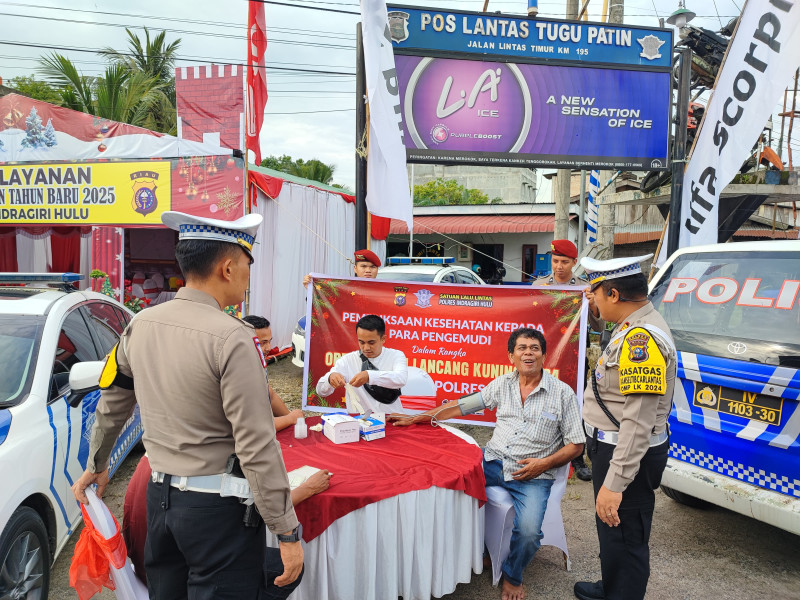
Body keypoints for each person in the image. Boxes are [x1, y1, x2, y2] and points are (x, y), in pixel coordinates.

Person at [72, 211, 303, 600]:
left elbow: (112, 404)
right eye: (248, 263)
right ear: (228, 268)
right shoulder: (233, 337)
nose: (249, 273)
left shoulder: (139, 325)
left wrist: (97, 466)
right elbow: (256, 444)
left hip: (159, 502)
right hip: (217, 511)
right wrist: (286, 531)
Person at [390, 328, 584, 600]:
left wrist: (543, 464)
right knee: (445, 485)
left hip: (532, 474)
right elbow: (461, 406)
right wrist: (419, 417)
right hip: (491, 461)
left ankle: (513, 575)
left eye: (534, 348)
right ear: (511, 356)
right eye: (522, 348)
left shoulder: (563, 394)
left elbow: (577, 444)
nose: (528, 352)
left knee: (528, 532)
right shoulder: (502, 384)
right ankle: (472, 551)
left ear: (543, 355)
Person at [573, 255, 676, 600]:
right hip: (615, 447)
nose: (593, 298)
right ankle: (612, 585)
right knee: (613, 532)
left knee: (626, 533)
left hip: (626, 452)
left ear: (614, 294)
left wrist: (616, 483)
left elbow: (638, 420)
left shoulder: (641, 342)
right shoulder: (632, 323)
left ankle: (622, 592)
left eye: (596, 292)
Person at [123, 455, 330, 587]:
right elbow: (256, 507)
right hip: (185, 575)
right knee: (281, 566)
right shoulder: (201, 475)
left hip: (153, 572)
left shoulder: (155, 459)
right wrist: (306, 492)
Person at [532, 239, 602, 482]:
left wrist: (592, 305)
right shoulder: (539, 286)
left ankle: (577, 457)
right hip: (545, 358)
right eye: (555, 261)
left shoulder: (584, 288)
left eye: (564, 262)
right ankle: (542, 447)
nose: (559, 266)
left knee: (575, 404)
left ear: (574, 263)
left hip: (573, 358)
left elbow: (599, 326)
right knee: (541, 401)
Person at [316, 314, 408, 415]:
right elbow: (321, 391)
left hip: (392, 419)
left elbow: (400, 379)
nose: (366, 348)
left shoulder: (396, 355)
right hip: (359, 420)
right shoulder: (347, 361)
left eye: (371, 342)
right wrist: (330, 379)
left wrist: (369, 376)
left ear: (383, 339)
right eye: (361, 342)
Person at [242, 314, 305, 432]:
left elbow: (269, 394)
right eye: (262, 342)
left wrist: (292, 419)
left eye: (269, 341)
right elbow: (256, 426)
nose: (268, 348)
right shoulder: (240, 372)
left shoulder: (257, 361)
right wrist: (290, 418)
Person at [303, 249, 381, 287]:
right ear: (355, 268)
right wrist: (311, 290)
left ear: (377, 270)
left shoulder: (385, 291)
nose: (368, 270)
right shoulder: (344, 288)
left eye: (372, 267)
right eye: (363, 266)